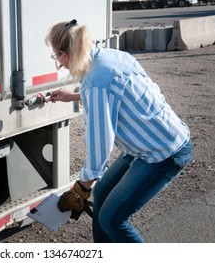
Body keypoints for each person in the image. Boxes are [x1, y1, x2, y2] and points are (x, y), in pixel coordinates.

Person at [47, 19, 193, 243]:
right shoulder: (110, 57)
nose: (59, 64)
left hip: (163, 153)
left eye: (56, 58)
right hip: (150, 142)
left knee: (112, 219)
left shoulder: (95, 82)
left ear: (64, 54)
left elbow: (100, 143)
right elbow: (115, 94)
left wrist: (81, 187)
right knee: (103, 190)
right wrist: (74, 96)